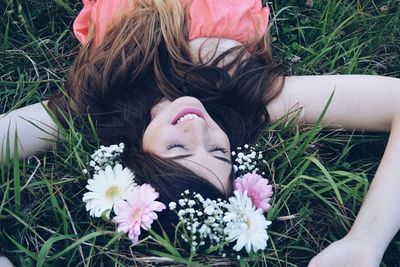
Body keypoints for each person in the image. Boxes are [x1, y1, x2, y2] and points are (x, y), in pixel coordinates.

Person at [0, 0, 399, 266]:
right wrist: (365, 241)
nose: (199, 127)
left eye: (177, 148)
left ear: (137, 161)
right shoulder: (245, 96)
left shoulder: (95, 107)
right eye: (219, 152)